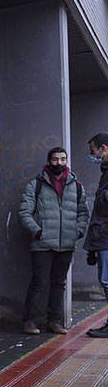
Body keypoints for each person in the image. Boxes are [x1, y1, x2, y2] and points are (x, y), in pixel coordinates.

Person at [17, 146, 89, 335]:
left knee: (59, 283)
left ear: (67, 161)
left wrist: (78, 231)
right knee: (39, 282)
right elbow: (24, 212)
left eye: (63, 159)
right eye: (55, 159)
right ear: (49, 161)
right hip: (42, 243)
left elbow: (83, 213)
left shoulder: (76, 186)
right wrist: (37, 231)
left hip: (66, 243)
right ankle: (29, 321)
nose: (59, 163)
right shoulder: (36, 184)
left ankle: (54, 321)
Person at [84, 133, 108, 337]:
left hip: (106, 236)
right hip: (102, 235)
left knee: (107, 280)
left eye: (93, 150)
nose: (92, 154)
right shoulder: (105, 170)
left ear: (104, 148)